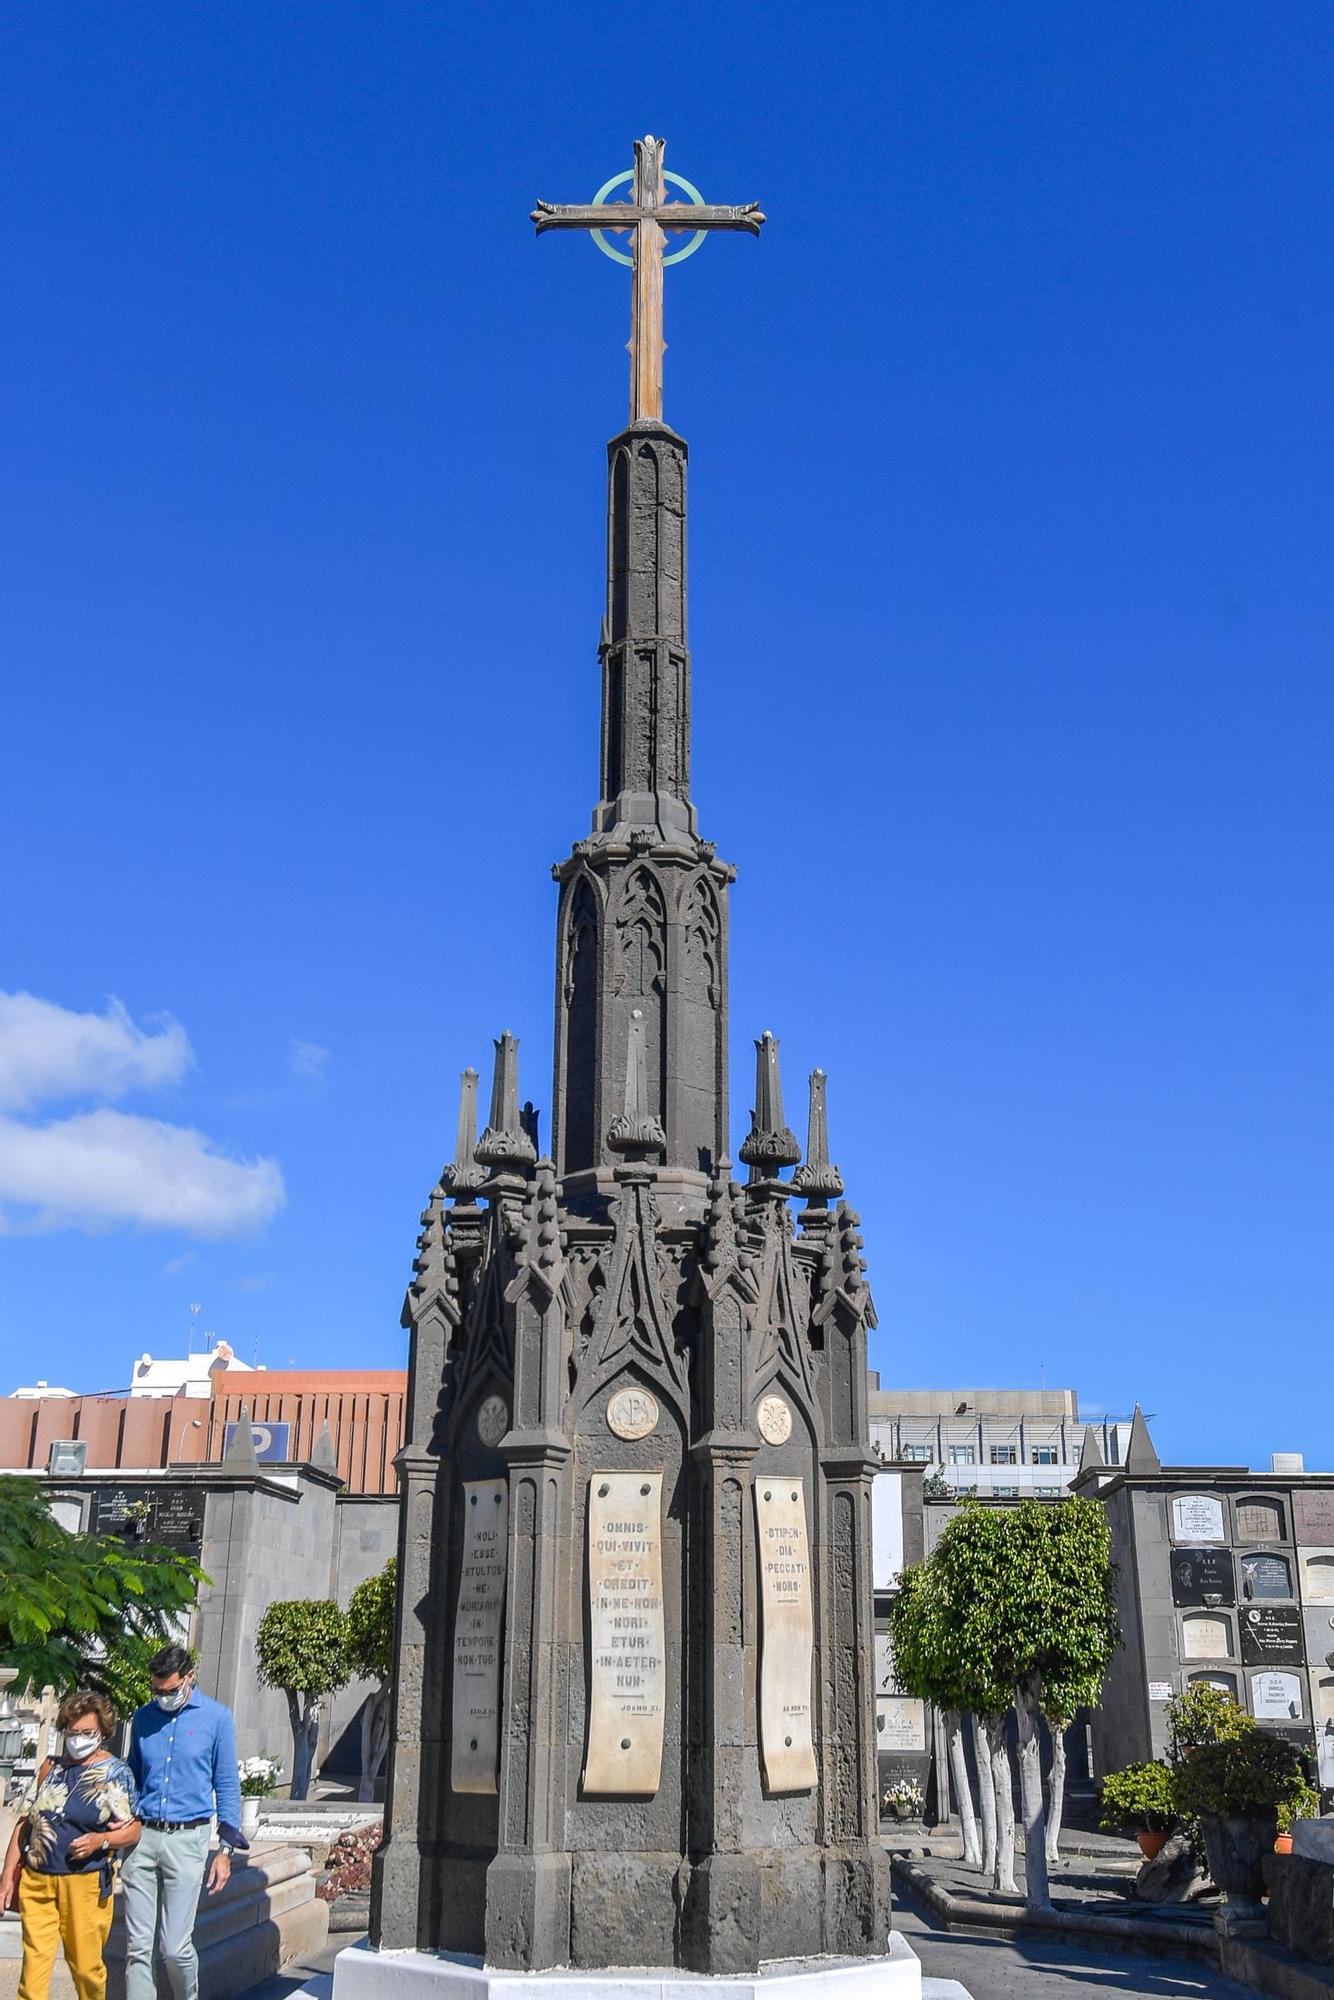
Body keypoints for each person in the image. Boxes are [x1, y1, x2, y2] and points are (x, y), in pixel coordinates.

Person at [0, 1688, 141, 2000]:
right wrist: (8, 1875)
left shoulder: (115, 1773)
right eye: (71, 1731)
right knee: (32, 1973)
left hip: (85, 1883)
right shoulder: (51, 1769)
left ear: (102, 1731)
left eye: (87, 1732)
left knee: (86, 1969)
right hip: (38, 1880)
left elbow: (133, 1831)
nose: (78, 1738)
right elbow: (25, 1822)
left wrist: (101, 1840)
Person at [122, 1646, 244, 2000]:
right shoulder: (143, 1718)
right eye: (156, 1691)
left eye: (170, 1690)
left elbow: (226, 1783)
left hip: (187, 1839)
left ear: (189, 1677)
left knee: (175, 1946)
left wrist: (225, 1850)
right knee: (137, 1947)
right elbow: (132, 1776)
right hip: (142, 1838)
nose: (163, 1697)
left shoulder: (217, 1718)